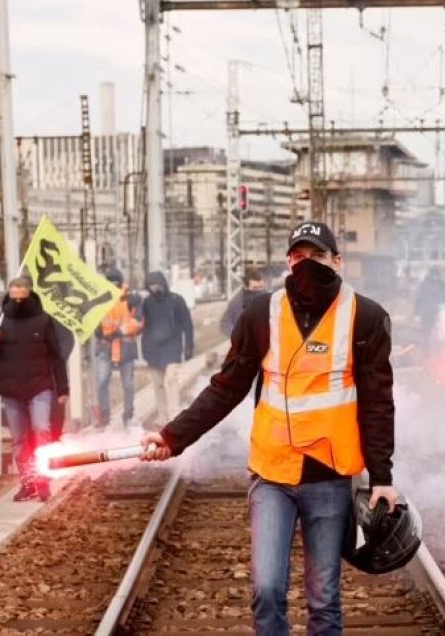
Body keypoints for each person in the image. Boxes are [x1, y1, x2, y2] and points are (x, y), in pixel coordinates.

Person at [139, 220, 398, 635]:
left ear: (338, 261)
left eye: (316, 256)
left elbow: (378, 402)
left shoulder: (365, 317)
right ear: (287, 262)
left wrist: (382, 476)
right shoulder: (261, 314)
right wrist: (173, 436)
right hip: (272, 473)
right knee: (266, 588)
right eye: (298, 256)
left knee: (324, 598)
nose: (306, 264)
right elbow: (226, 389)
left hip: (329, 477)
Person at [0, 276, 69, 502]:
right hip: (12, 391)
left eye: (22, 293)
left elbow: (57, 357)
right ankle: (28, 483)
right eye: (14, 294)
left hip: (40, 386)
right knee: (19, 440)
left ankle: (42, 479)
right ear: (9, 294)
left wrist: (62, 389)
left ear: (29, 293)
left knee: (41, 429)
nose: (18, 300)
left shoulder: (43, 320)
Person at [140, 271, 194, 427]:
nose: (154, 287)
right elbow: (144, 326)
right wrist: (144, 350)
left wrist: (189, 347)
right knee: (157, 383)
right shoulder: (147, 303)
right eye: (151, 285)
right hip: (153, 349)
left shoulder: (177, 300)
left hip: (172, 346)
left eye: (156, 284)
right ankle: (162, 415)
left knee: (171, 379)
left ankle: (174, 414)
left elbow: (187, 325)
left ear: (163, 283)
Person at [95, 268, 143, 429]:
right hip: (105, 346)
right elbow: (94, 320)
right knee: (102, 381)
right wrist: (99, 333)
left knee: (128, 383)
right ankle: (105, 414)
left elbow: (138, 322)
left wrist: (117, 332)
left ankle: (128, 414)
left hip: (125, 347)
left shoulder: (132, 299)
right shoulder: (100, 299)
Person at [219, 267, 266, 338]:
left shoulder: (269, 297)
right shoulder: (237, 302)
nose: (259, 291)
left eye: (261, 287)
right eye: (255, 288)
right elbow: (225, 323)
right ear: (246, 286)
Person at [414, 267, 445, 351]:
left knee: (439, 333)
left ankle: (439, 351)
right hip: (427, 313)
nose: (435, 277)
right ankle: (427, 352)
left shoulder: (442, 285)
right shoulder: (425, 285)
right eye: (433, 275)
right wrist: (416, 314)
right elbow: (418, 299)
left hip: (437, 313)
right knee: (427, 334)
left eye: (436, 275)